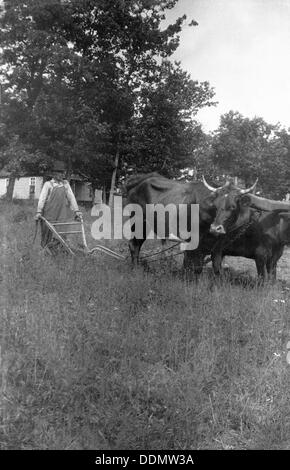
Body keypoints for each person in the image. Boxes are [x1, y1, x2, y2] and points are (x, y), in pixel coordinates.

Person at [34, 161, 82, 254]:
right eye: (59, 172)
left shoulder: (65, 184)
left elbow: (71, 198)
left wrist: (77, 211)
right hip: (49, 215)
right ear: (54, 174)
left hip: (61, 214)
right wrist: (39, 212)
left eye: (62, 172)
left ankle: (60, 252)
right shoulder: (48, 184)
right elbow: (42, 199)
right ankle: (45, 253)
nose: (61, 175)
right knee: (47, 235)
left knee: (61, 234)